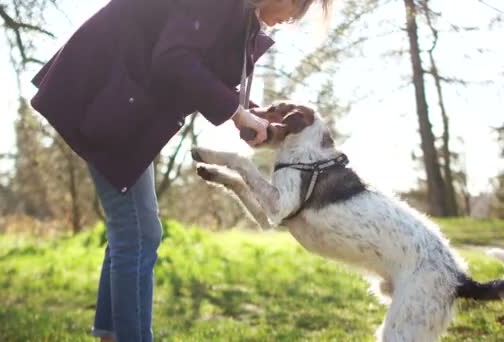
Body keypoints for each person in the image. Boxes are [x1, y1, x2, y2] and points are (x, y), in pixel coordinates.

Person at [30, 0, 331, 340]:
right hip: (101, 94)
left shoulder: (240, 18)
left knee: (135, 231)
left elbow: (202, 70)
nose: (293, 18)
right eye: (298, 5)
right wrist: (235, 112)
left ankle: (112, 334)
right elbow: (173, 59)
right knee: (137, 232)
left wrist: (246, 112)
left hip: (120, 106)